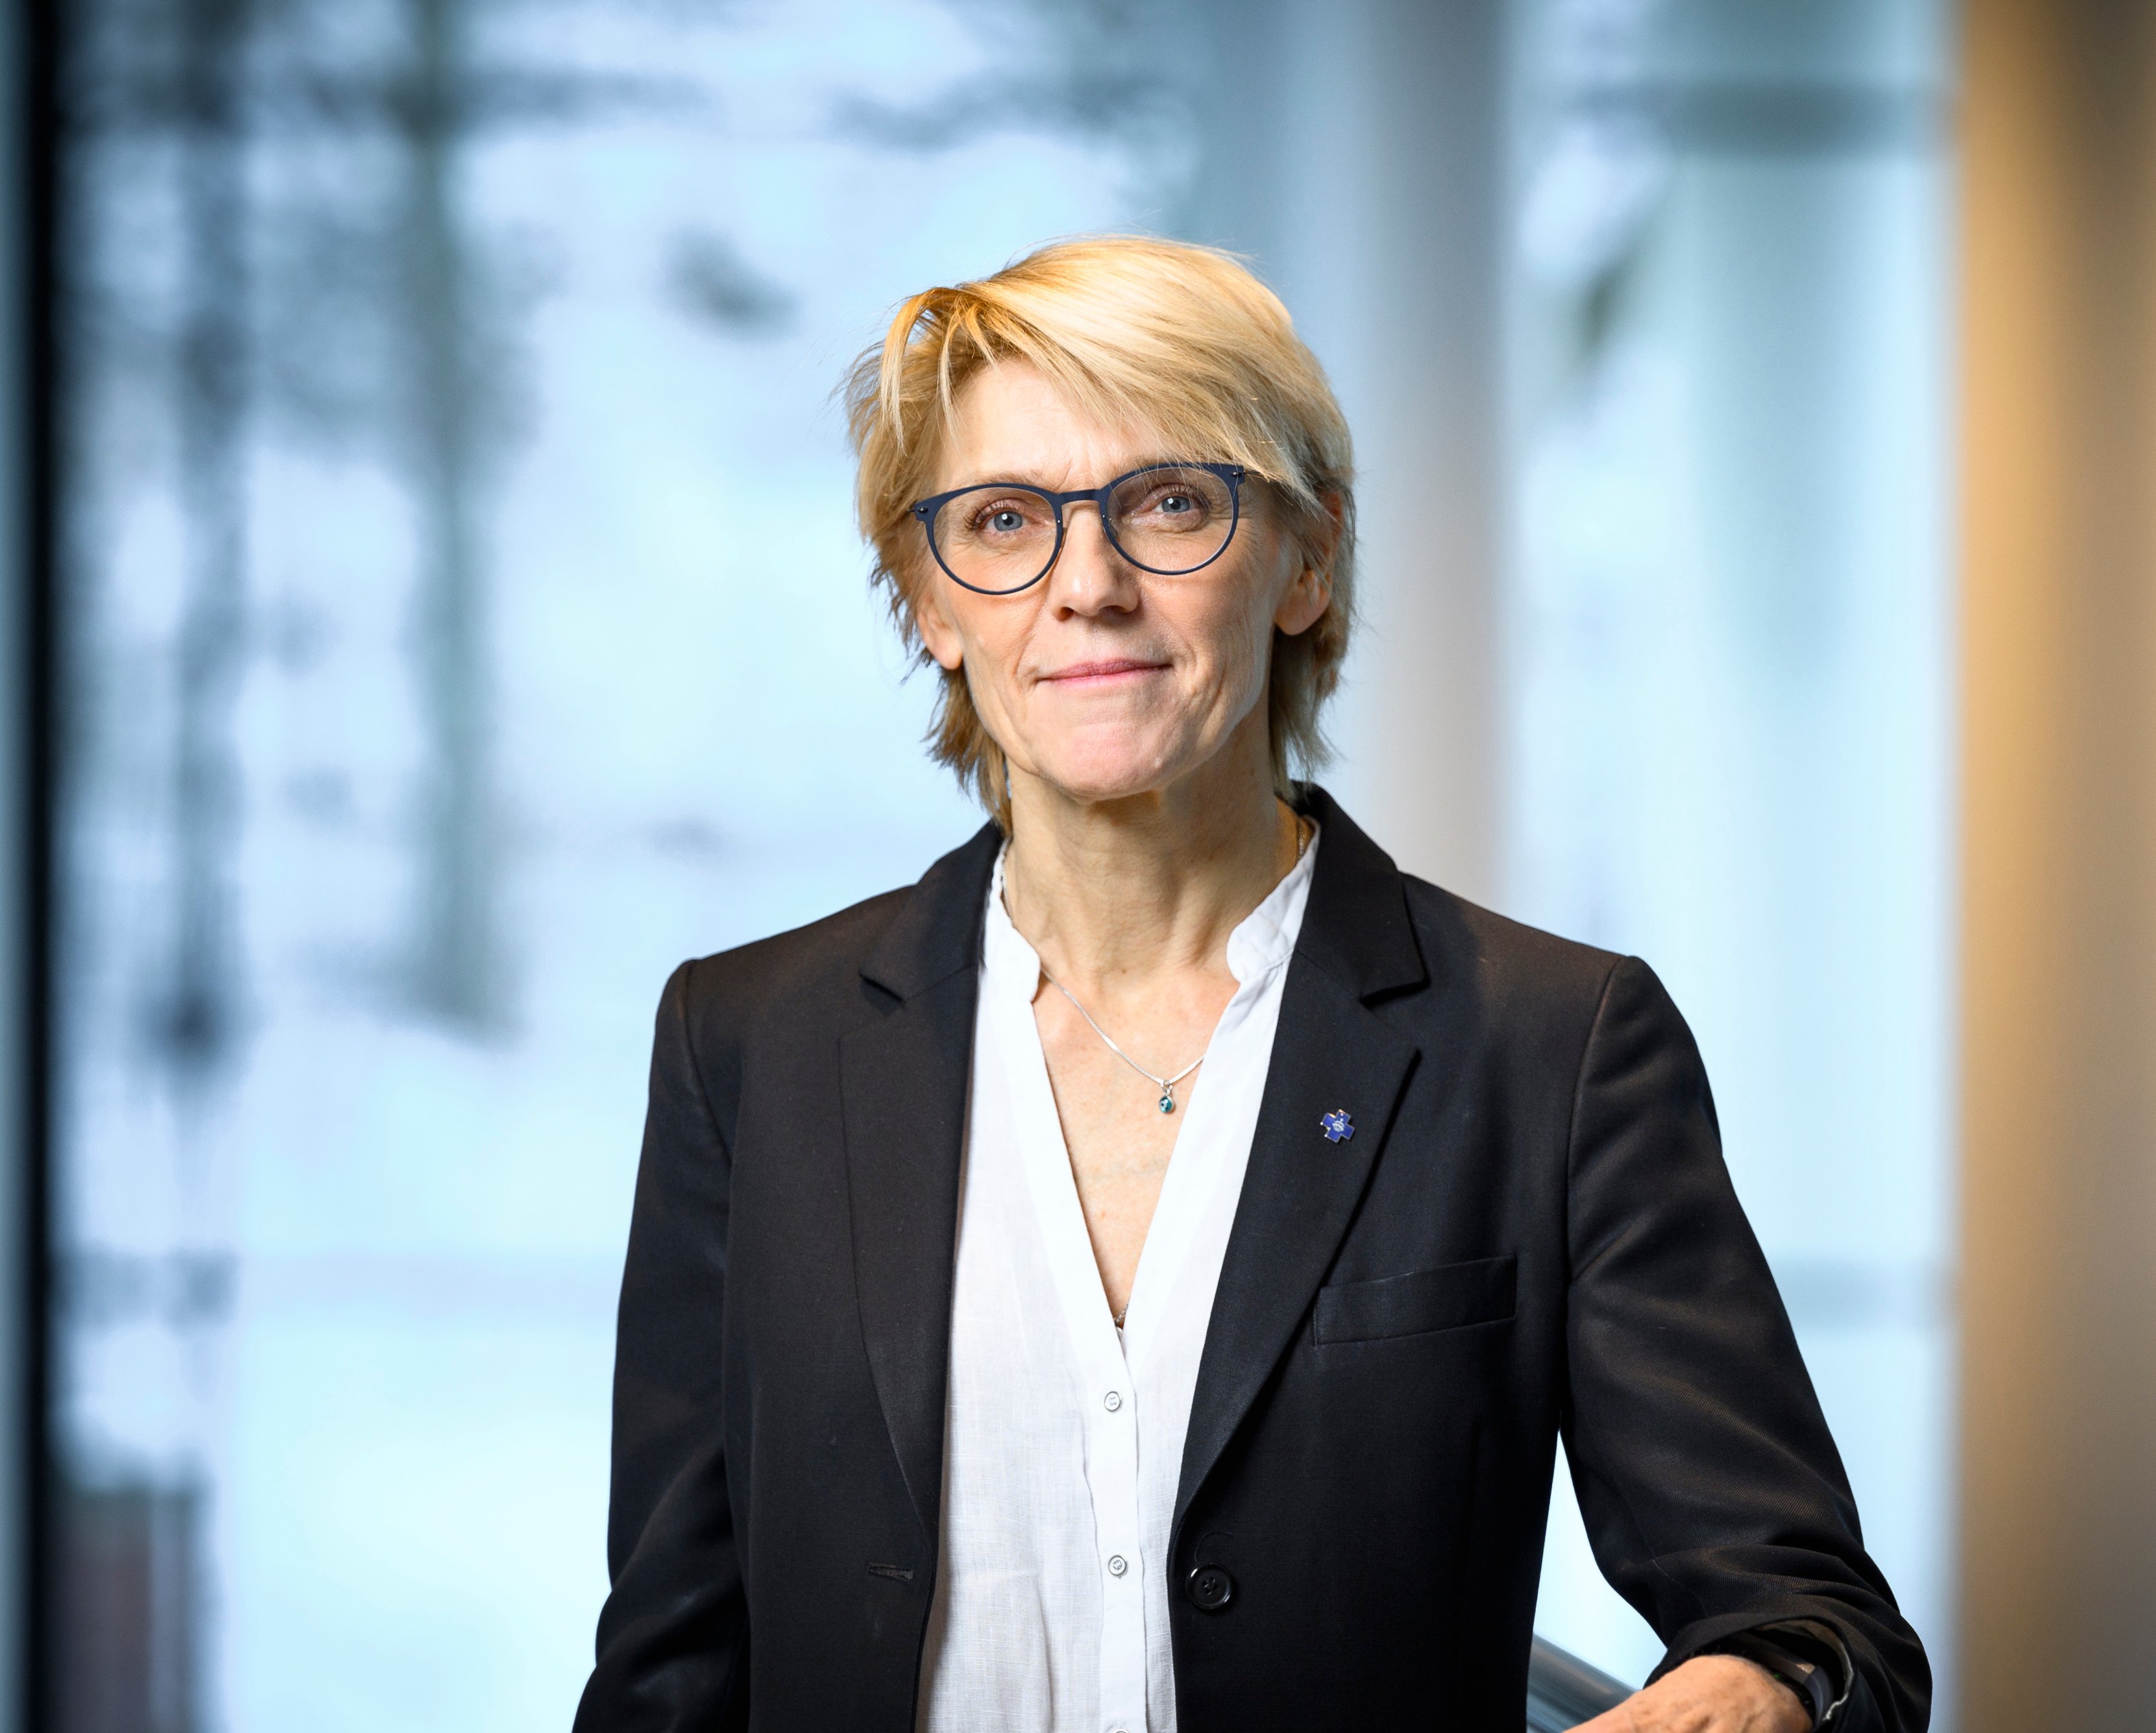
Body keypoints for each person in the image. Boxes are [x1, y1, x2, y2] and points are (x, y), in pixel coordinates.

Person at [572, 236, 1928, 1733]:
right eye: (1006, 520)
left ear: (1308, 558)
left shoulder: (1550, 1047)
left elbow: (1818, 1626)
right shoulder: (751, 1046)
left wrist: (1754, 1688)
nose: (1088, 587)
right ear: (932, 602)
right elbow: (669, 1672)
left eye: (1169, 502)